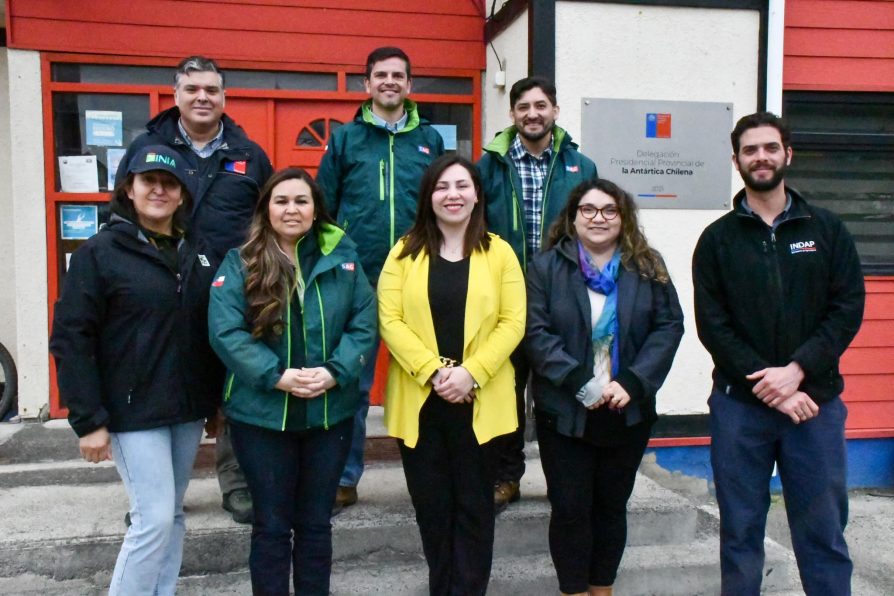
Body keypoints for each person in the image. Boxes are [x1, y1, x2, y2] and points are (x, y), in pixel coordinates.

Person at [692, 111, 865, 595]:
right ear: (736, 160)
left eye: (770, 148)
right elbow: (714, 327)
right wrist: (773, 387)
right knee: (741, 532)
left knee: (823, 532)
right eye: (750, 150)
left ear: (788, 154)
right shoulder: (717, 241)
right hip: (740, 409)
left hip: (815, 407)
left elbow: (846, 309)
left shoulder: (827, 230)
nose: (760, 157)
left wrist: (797, 371)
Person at [50, 145, 223, 596]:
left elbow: (210, 331)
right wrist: (88, 421)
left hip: (184, 409)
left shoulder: (197, 252)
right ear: (129, 188)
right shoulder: (99, 253)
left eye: (170, 184)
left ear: (183, 195)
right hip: (131, 411)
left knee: (173, 514)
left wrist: (213, 401)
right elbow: (71, 338)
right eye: (149, 181)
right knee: (154, 518)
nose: (159, 191)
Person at [118, 55, 273, 524]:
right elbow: (123, 216)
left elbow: (267, 222)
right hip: (162, 290)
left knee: (234, 388)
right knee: (163, 381)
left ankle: (237, 482)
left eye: (212, 90)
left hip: (232, 293)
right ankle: (158, 493)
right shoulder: (148, 147)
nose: (203, 97)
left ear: (224, 97)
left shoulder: (249, 154)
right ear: (176, 95)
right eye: (192, 89)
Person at [208, 168, 377, 595]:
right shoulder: (241, 260)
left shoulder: (345, 258)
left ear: (316, 208)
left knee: (316, 525)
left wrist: (335, 372)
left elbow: (364, 323)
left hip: (328, 415)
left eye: (301, 200)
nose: (291, 209)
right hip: (262, 418)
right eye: (281, 200)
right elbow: (225, 332)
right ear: (267, 208)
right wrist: (275, 376)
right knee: (270, 526)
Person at [525, 179, 683, 596]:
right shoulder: (545, 268)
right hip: (566, 411)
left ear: (623, 217)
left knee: (612, 508)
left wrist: (632, 381)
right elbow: (536, 333)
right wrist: (583, 384)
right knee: (571, 510)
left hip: (626, 409)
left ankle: (602, 590)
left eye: (609, 210)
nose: (599, 218)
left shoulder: (648, 266)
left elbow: (669, 327)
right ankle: (573, 591)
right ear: (573, 217)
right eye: (588, 210)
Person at [378, 155, 525, 595]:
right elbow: (390, 319)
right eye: (442, 186)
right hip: (422, 403)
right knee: (433, 511)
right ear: (429, 196)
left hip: (479, 402)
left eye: (462, 185)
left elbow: (514, 321)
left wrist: (471, 374)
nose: (453, 195)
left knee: (476, 511)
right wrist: (434, 372)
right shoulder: (404, 252)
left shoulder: (499, 252)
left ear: (477, 194)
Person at [317, 46, 445, 512]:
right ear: (366, 84)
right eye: (380, 75)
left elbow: (446, 204)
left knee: (427, 375)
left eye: (398, 75)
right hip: (359, 281)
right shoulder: (345, 140)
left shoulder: (429, 141)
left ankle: (432, 475)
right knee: (351, 381)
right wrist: (340, 260)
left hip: (419, 277)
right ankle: (344, 478)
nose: (389, 81)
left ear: (409, 85)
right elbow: (322, 209)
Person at [477, 76, 598, 512]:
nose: (533, 113)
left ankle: (562, 478)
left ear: (555, 111)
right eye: (523, 106)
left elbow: (595, 230)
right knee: (505, 391)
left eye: (541, 105)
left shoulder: (580, 167)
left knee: (556, 390)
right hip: (501, 297)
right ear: (512, 114)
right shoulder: (487, 165)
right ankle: (505, 477)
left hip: (559, 297)